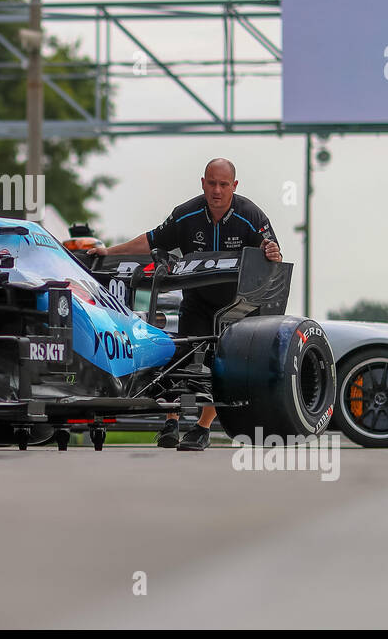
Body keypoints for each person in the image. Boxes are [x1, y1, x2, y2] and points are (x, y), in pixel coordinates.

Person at [95, 158, 282, 451]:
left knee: (221, 366)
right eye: (211, 183)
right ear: (203, 183)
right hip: (196, 301)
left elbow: (273, 254)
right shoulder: (186, 214)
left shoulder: (251, 215)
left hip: (236, 306)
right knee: (179, 357)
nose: (217, 191)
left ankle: (201, 428)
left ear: (234, 186)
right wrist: (109, 251)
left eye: (223, 185)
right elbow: (151, 240)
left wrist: (272, 252)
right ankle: (171, 421)